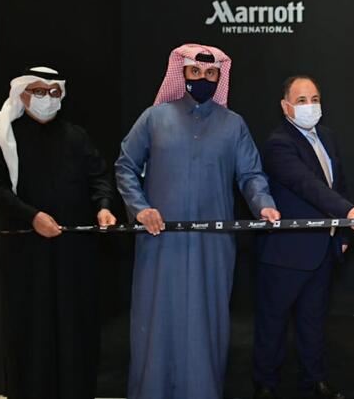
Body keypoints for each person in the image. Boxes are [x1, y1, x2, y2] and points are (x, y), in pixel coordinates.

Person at [115, 43, 280, 399]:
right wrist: (140, 208)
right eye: (195, 72)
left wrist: (264, 205)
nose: (203, 78)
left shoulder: (233, 125)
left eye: (210, 73)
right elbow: (126, 166)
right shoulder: (154, 118)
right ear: (182, 73)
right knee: (156, 322)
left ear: (219, 77)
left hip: (213, 245)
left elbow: (251, 175)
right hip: (159, 240)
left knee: (206, 323)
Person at [0, 66, 116, 399]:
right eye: (39, 92)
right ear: (23, 94)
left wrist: (103, 206)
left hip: (74, 254)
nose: (48, 98)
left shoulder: (76, 136)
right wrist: (32, 217)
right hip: (26, 254)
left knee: (75, 329)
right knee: (32, 329)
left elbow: (99, 177)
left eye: (54, 92)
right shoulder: (5, 138)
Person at [253, 75, 354, 399]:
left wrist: (342, 231)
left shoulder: (327, 137)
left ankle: (315, 381)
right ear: (285, 106)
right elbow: (308, 186)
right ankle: (265, 385)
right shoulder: (278, 144)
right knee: (273, 323)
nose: (310, 106)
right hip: (286, 252)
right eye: (301, 100)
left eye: (314, 99)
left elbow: (338, 184)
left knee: (313, 321)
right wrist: (348, 211)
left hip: (323, 249)